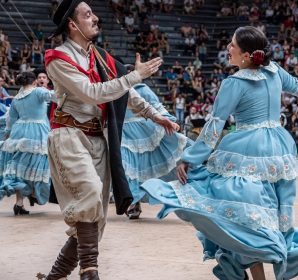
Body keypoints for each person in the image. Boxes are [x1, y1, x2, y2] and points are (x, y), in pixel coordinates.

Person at [140, 26, 298, 280]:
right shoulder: (275, 70)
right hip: (279, 150)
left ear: (246, 55)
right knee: (269, 214)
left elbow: (213, 128)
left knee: (245, 216)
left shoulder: (233, 83)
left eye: (232, 45)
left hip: (246, 150)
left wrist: (189, 159)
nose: (228, 48)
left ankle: (246, 269)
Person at [42, 1, 177, 279]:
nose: (95, 18)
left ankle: (56, 276)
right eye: (87, 14)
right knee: (90, 194)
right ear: (72, 24)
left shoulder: (101, 56)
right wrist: (135, 75)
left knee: (95, 219)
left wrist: (156, 116)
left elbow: (127, 95)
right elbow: (92, 93)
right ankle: (90, 272)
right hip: (69, 136)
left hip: (98, 140)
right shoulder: (57, 58)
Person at [121, 83, 188, 219]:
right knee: (126, 169)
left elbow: (156, 106)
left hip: (143, 133)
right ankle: (132, 201)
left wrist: (168, 120)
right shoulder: (114, 89)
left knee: (139, 170)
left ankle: (135, 202)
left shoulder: (141, 88)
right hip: (121, 132)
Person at [0, 72, 53, 214]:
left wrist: (7, 135)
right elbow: (53, 96)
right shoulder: (38, 92)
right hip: (37, 131)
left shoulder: (17, 98)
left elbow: (10, 121)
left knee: (19, 168)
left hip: (19, 131)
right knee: (38, 164)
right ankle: (34, 194)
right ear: (35, 81)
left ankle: (19, 203)